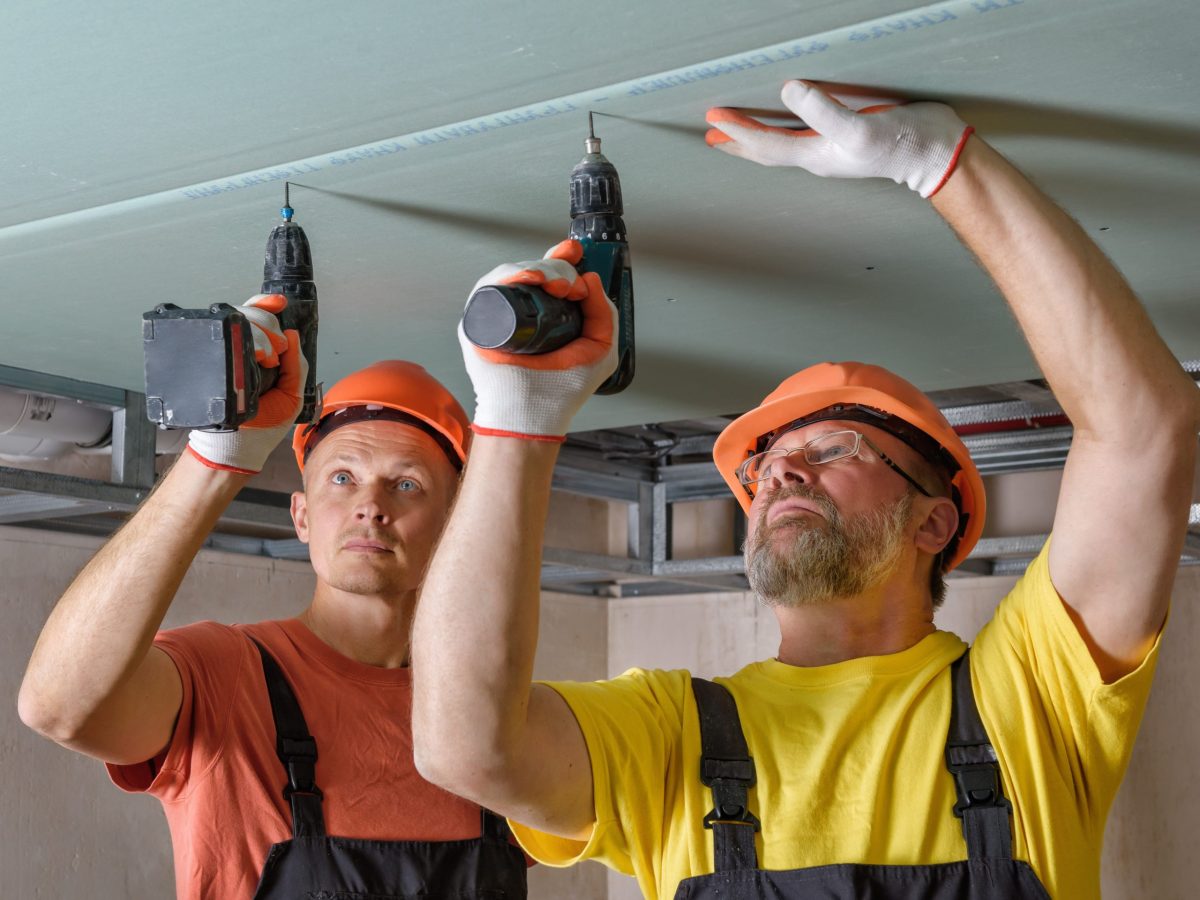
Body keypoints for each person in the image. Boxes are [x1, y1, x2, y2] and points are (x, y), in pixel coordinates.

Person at [410, 81, 1199, 899]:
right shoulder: (673, 735)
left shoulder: (1029, 700)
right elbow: (463, 748)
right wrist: (515, 418)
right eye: (765, 467)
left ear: (932, 522)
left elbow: (1146, 428)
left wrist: (942, 164)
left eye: (833, 449)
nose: (781, 471)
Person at [18, 297, 527, 900]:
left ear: (452, 526)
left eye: (406, 483)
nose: (371, 504)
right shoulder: (228, 675)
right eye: (343, 478)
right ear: (303, 516)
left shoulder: (495, 711)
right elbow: (57, 707)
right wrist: (215, 458)